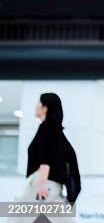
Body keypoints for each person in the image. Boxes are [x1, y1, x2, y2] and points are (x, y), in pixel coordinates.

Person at [9, 93, 80, 223]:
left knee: (17, 217)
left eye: (38, 103)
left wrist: (41, 185)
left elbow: (45, 160)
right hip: (52, 186)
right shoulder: (56, 131)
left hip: (43, 183)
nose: (36, 106)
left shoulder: (46, 128)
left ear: (45, 108)